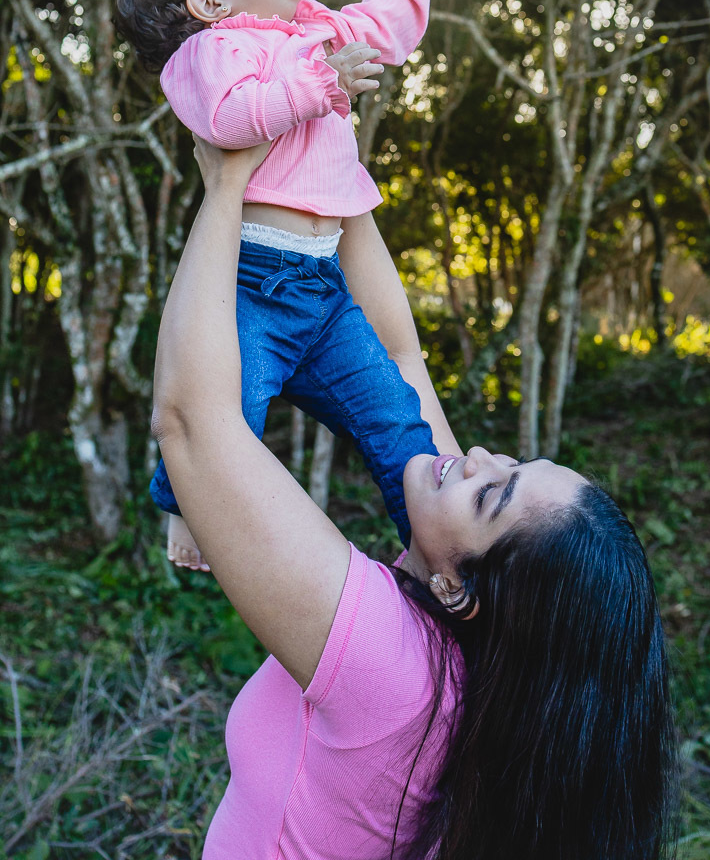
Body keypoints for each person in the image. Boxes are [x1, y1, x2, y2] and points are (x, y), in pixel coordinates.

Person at [152, 137, 679, 860]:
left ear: (458, 588)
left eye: (493, 494)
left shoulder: (390, 668)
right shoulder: (483, 677)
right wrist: (328, 147)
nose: (476, 459)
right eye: (512, 462)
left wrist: (224, 189)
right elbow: (397, 354)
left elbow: (191, 422)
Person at [115, 0, 457, 568]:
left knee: (396, 419)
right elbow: (230, 119)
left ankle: (443, 555)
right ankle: (186, 507)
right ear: (207, 1)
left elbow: (380, 30)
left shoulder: (312, 32)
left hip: (325, 290)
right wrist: (320, 81)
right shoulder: (210, 53)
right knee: (224, 411)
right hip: (254, 281)